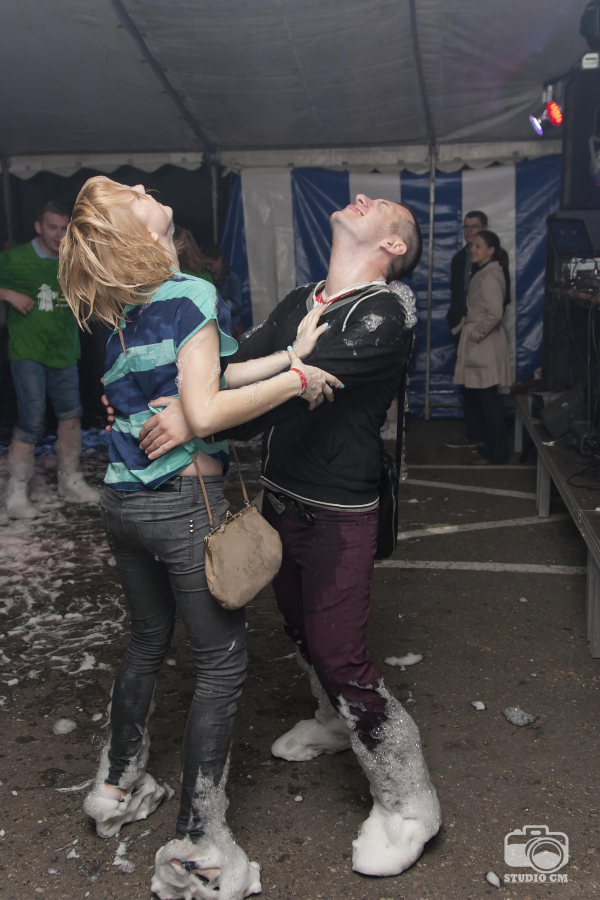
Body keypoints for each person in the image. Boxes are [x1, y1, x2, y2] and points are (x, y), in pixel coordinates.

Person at [135, 193, 442, 879]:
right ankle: (332, 721)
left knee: (342, 656)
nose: (363, 197)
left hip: (339, 513)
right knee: (301, 629)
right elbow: (239, 363)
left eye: (382, 204)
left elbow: (288, 392)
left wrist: (197, 417)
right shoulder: (305, 298)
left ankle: (409, 804)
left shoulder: (383, 313)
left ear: (394, 246)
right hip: (282, 499)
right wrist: (193, 398)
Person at [59, 175, 341, 900]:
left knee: (147, 641)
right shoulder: (190, 291)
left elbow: (210, 375)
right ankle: (197, 845)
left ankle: (116, 786)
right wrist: (298, 382)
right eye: (128, 191)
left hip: (124, 503)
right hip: (182, 503)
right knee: (220, 664)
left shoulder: (127, 305)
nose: (142, 183)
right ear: (133, 231)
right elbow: (208, 410)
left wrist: (288, 357)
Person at [0, 200, 100, 518]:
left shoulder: (73, 259)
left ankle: (70, 480)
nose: (59, 234)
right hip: (28, 351)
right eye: (52, 227)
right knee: (31, 420)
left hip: (65, 351)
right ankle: (16, 490)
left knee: (71, 416)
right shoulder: (16, 259)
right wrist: (8, 294)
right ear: (38, 227)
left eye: (64, 228)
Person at [452, 230, 511, 466]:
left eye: (478, 246)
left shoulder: (490, 275)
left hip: (484, 344)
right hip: (482, 342)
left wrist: (475, 334)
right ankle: (491, 448)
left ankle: (497, 454)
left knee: (489, 402)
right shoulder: (487, 273)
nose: (473, 250)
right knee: (486, 400)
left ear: (491, 250)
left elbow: (495, 312)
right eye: (472, 246)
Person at [445, 210, 489, 450]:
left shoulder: (493, 261)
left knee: (484, 384)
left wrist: (479, 327)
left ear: (485, 229)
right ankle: (473, 434)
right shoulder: (459, 259)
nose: (469, 231)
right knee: (467, 384)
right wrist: (456, 323)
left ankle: (487, 436)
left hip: (483, 330)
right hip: (462, 327)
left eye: (474, 226)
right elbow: (456, 294)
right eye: (466, 226)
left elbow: (500, 302)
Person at [198, 242, 244, 338]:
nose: (208, 268)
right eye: (205, 265)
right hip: (214, 326)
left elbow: (237, 308)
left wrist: (220, 302)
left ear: (219, 259)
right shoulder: (207, 276)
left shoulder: (233, 279)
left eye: (210, 264)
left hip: (231, 327)